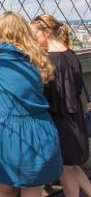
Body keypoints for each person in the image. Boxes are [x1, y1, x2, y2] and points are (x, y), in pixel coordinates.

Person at [0, 11, 63, 197]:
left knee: (3, 190)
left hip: (11, 131)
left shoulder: (0, 51)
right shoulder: (37, 57)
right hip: (41, 129)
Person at [31, 14, 91, 197]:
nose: (33, 39)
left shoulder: (50, 61)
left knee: (65, 169)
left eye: (35, 35)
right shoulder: (71, 54)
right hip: (75, 120)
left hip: (60, 123)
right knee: (71, 167)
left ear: (47, 32)